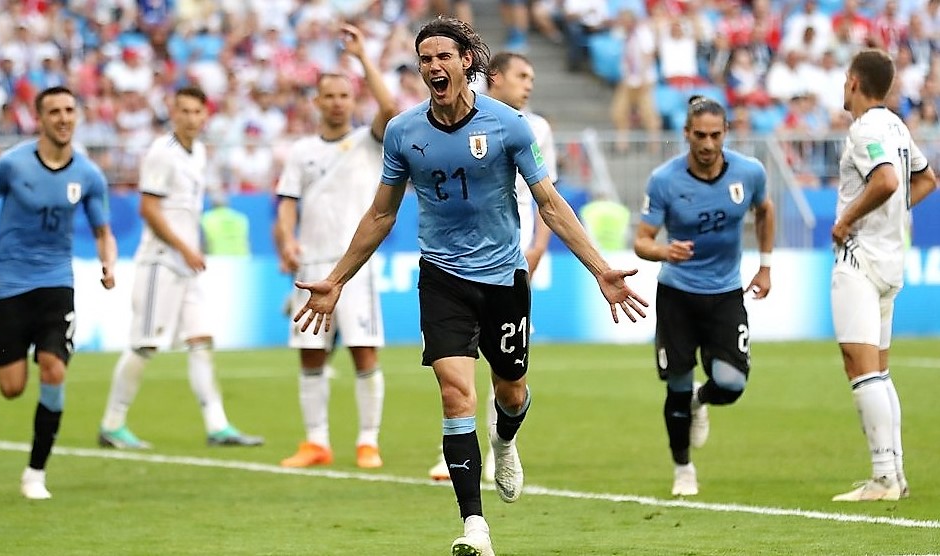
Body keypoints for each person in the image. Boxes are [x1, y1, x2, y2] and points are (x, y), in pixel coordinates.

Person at [292, 17, 647, 555]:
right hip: (442, 277)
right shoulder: (403, 132)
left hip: (503, 277)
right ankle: (475, 526)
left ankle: (504, 440)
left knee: (511, 391)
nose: (433, 66)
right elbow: (382, 214)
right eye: (425, 58)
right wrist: (337, 279)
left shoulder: (509, 125)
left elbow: (550, 204)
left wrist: (600, 269)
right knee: (456, 393)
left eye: (443, 57)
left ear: (466, 62)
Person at [0, 86, 118, 500]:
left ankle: (35, 472)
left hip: (57, 284)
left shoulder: (88, 174)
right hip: (11, 286)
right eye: (55, 112)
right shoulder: (12, 164)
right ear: (39, 118)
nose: (64, 118)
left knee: (54, 369)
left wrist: (108, 262)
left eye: (70, 110)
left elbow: (103, 230)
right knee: (12, 387)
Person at [97, 85, 263, 450]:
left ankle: (218, 426)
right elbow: (149, 209)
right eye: (183, 111)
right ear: (173, 113)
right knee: (145, 344)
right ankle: (112, 424)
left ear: (205, 116)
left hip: (185, 266)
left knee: (201, 340)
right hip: (160, 263)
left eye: (196, 112)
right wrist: (186, 247)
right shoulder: (162, 153)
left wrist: (191, 247)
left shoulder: (198, 152)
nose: (190, 118)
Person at [633, 95, 775, 497]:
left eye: (715, 135)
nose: (708, 144)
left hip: (726, 293)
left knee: (731, 384)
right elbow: (642, 240)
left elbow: (765, 210)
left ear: (726, 132)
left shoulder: (750, 172)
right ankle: (683, 469)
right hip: (677, 294)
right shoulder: (664, 180)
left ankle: (701, 399)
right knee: (675, 385)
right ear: (686, 134)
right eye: (700, 135)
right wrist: (665, 251)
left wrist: (765, 265)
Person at [273, 24, 399, 469]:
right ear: (316, 102)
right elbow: (286, 204)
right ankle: (316, 442)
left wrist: (363, 57)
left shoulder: (367, 141)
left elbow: (390, 108)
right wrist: (287, 240)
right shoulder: (301, 151)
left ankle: (368, 441)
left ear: (352, 99)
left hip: (355, 266)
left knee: (364, 351)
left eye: (344, 95)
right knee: (310, 355)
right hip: (311, 265)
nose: (337, 102)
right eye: (328, 96)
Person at [427, 50, 556, 483]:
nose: (529, 84)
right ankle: (457, 449)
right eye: (522, 75)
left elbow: (547, 194)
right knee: (455, 365)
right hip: (453, 260)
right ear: (494, 76)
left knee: (506, 371)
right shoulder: (450, 119)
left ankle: (499, 442)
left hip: (510, 255)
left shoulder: (535, 127)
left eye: (532, 77)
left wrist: (538, 247)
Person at [829, 48, 937, 502]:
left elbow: (888, 180)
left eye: (845, 79)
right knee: (880, 371)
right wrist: (893, 213)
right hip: (892, 259)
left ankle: (884, 477)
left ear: (854, 81)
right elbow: (926, 179)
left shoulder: (865, 129)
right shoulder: (895, 125)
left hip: (861, 260)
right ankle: (895, 473)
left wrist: (847, 219)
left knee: (860, 367)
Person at [201, 191, 251, 256]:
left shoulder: (206, 218)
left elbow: (203, 243)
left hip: (217, 258)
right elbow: (246, 242)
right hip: (242, 257)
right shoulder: (241, 218)